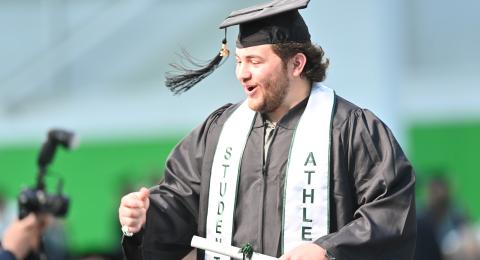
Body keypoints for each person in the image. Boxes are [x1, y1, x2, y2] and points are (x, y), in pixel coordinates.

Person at [118, 0, 416, 259]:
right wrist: (148, 216)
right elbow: (180, 202)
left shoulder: (348, 129)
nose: (242, 73)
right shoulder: (221, 131)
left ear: (296, 64)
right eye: (238, 62)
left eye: (255, 61)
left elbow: (389, 212)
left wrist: (329, 250)